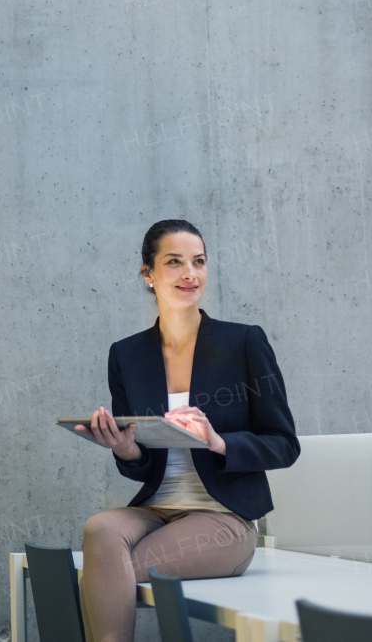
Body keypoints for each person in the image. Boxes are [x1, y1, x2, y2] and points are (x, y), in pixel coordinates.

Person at [73, 220, 299, 642]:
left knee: (105, 569)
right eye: (174, 262)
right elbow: (141, 466)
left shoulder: (244, 343)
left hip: (224, 518)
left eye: (198, 262)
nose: (189, 273)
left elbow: (285, 445)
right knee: (100, 529)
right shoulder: (126, 354)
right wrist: (125, 450)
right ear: (148, 274)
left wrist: (218, 442)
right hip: (157, 509)